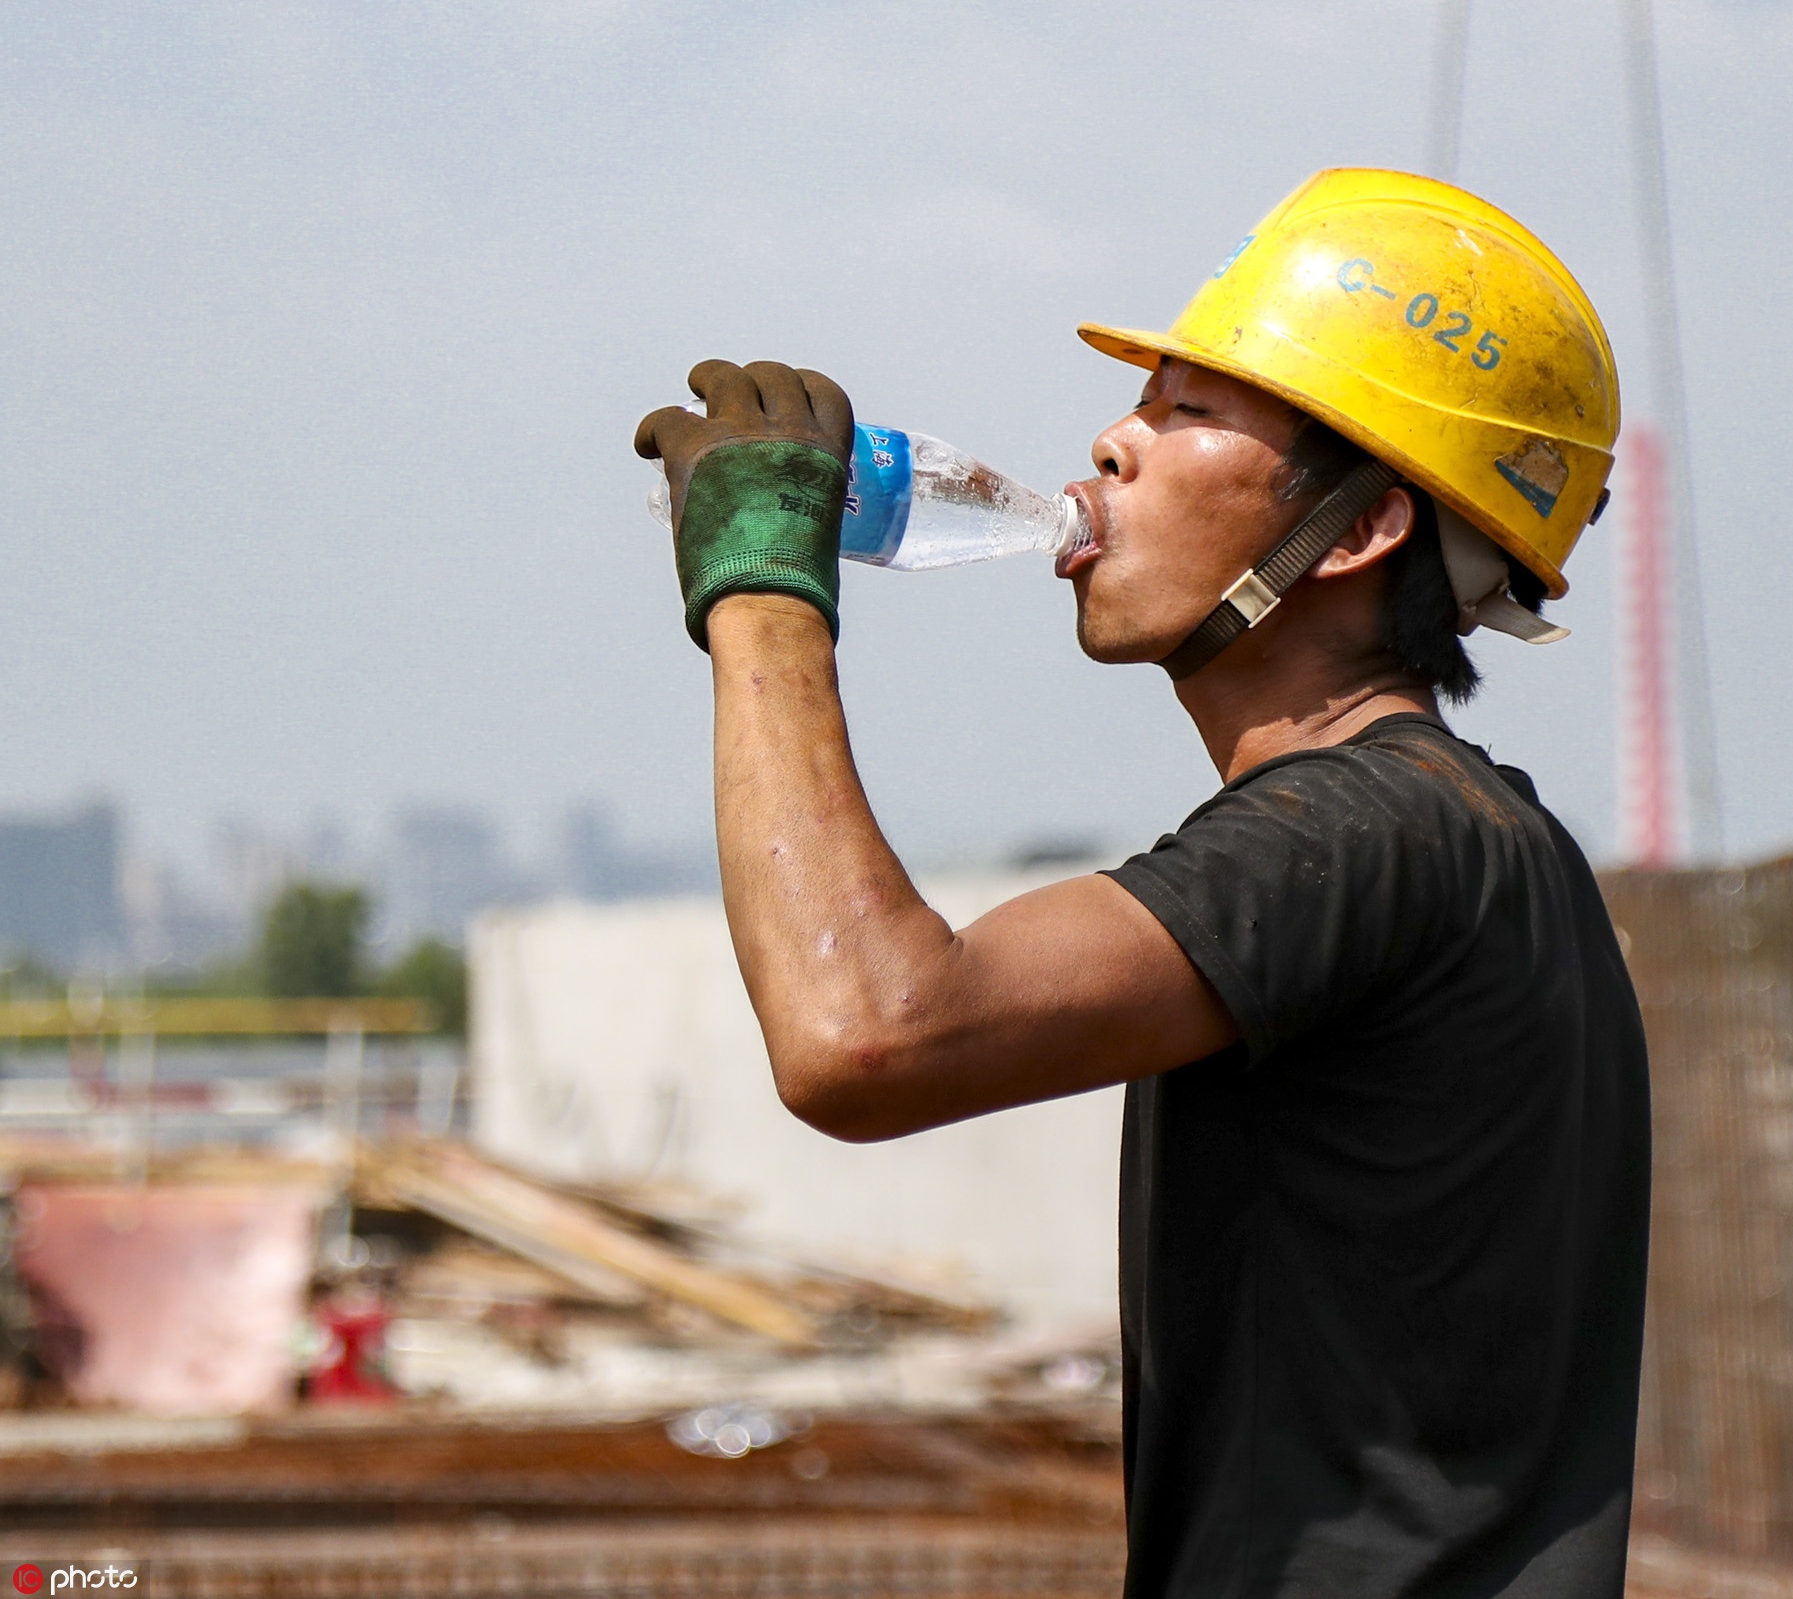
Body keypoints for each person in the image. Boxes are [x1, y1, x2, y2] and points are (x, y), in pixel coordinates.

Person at [634, 169, 1650, 1598]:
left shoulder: (1364, 835)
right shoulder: (1473, 842)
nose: (1112, 442)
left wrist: (762, 599)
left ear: (1359, 532)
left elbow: (864, 1030)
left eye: (1185, 415)